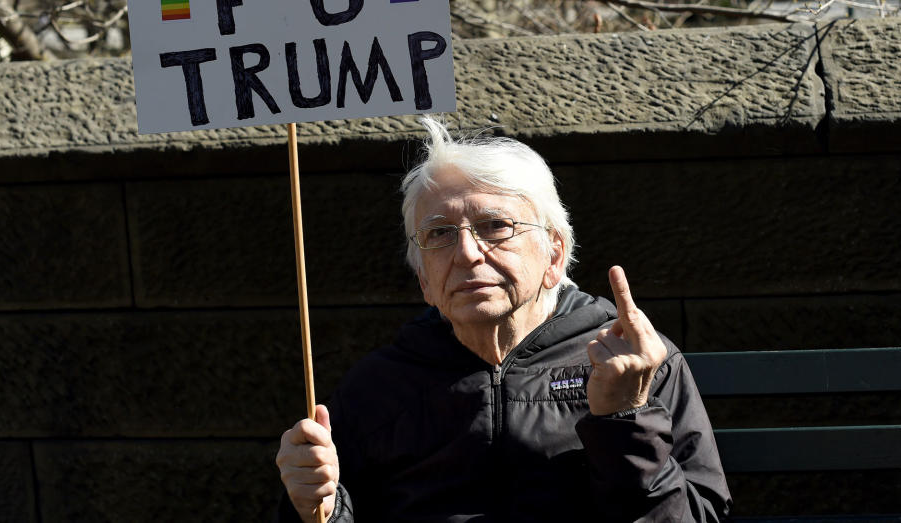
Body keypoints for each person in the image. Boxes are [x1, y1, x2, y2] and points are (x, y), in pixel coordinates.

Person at [275, 118, 732, 522]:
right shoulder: (377, 386)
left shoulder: (634, 360)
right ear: (423, 280)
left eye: (496, 226)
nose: (468, 253)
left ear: (555, 253)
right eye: (440, 234)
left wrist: (625, 419)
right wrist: (319, 509)